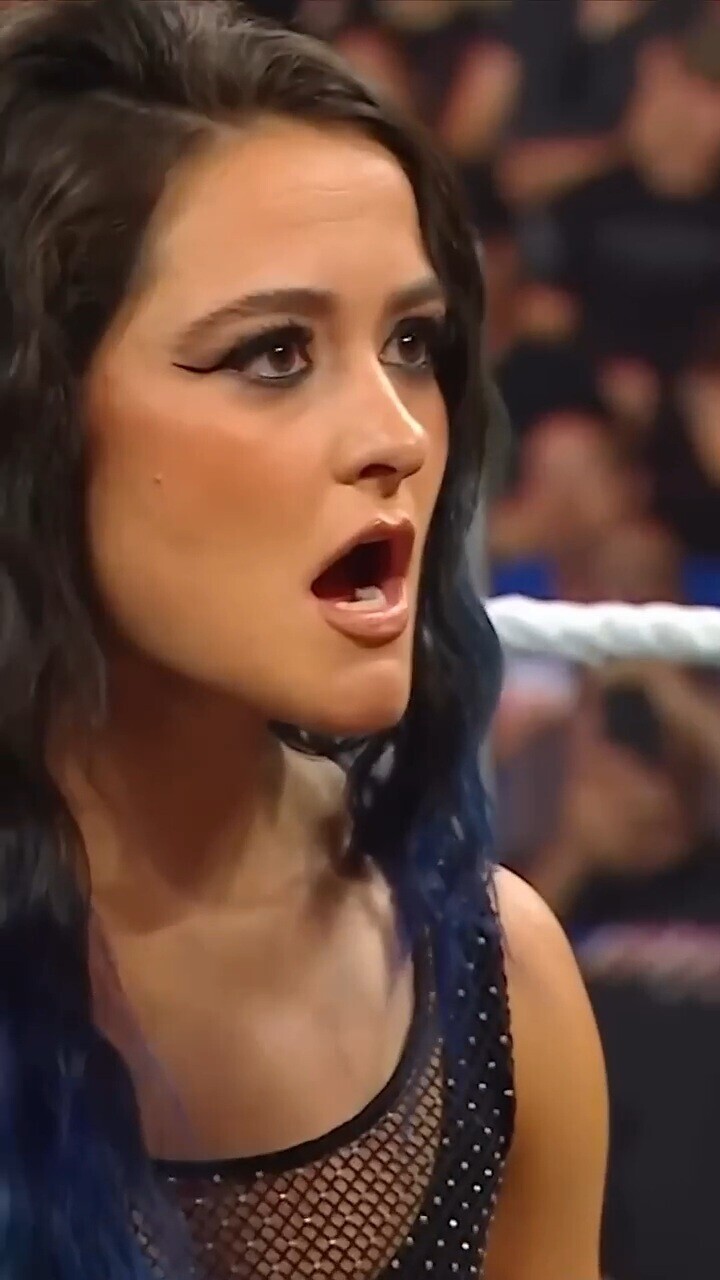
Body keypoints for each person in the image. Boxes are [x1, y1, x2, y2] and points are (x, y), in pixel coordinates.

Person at [0, 2, 606, 1278]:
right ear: (36, 419)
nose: (399, 433)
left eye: (412, 343)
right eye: (274, 352)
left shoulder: (499, 986)